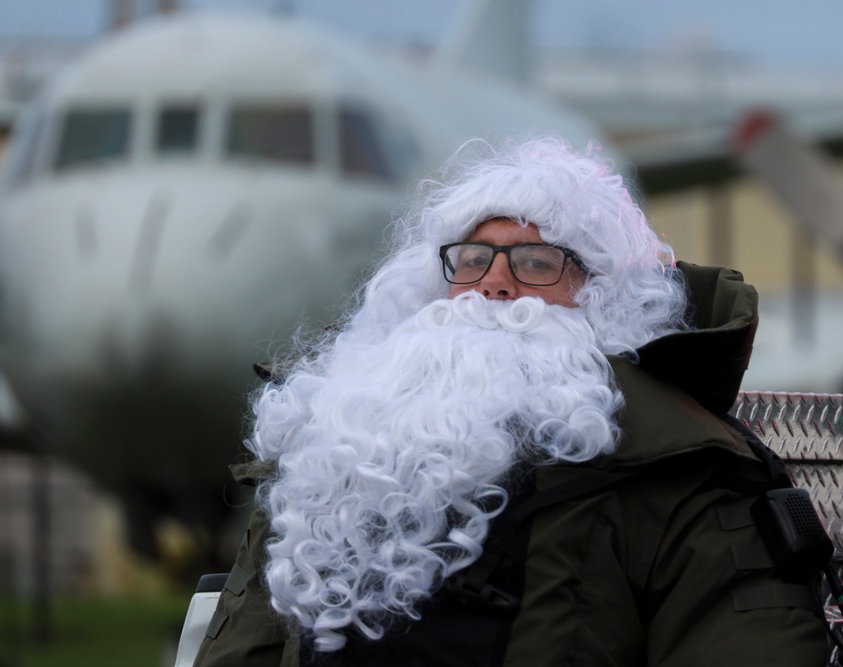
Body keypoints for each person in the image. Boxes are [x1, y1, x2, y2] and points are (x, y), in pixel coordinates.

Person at [193, 138, 829, 666]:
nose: (493, 284)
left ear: (603, 300)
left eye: (535, 262)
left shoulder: (683, 475)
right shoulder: (339, 452)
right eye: (472, 259)